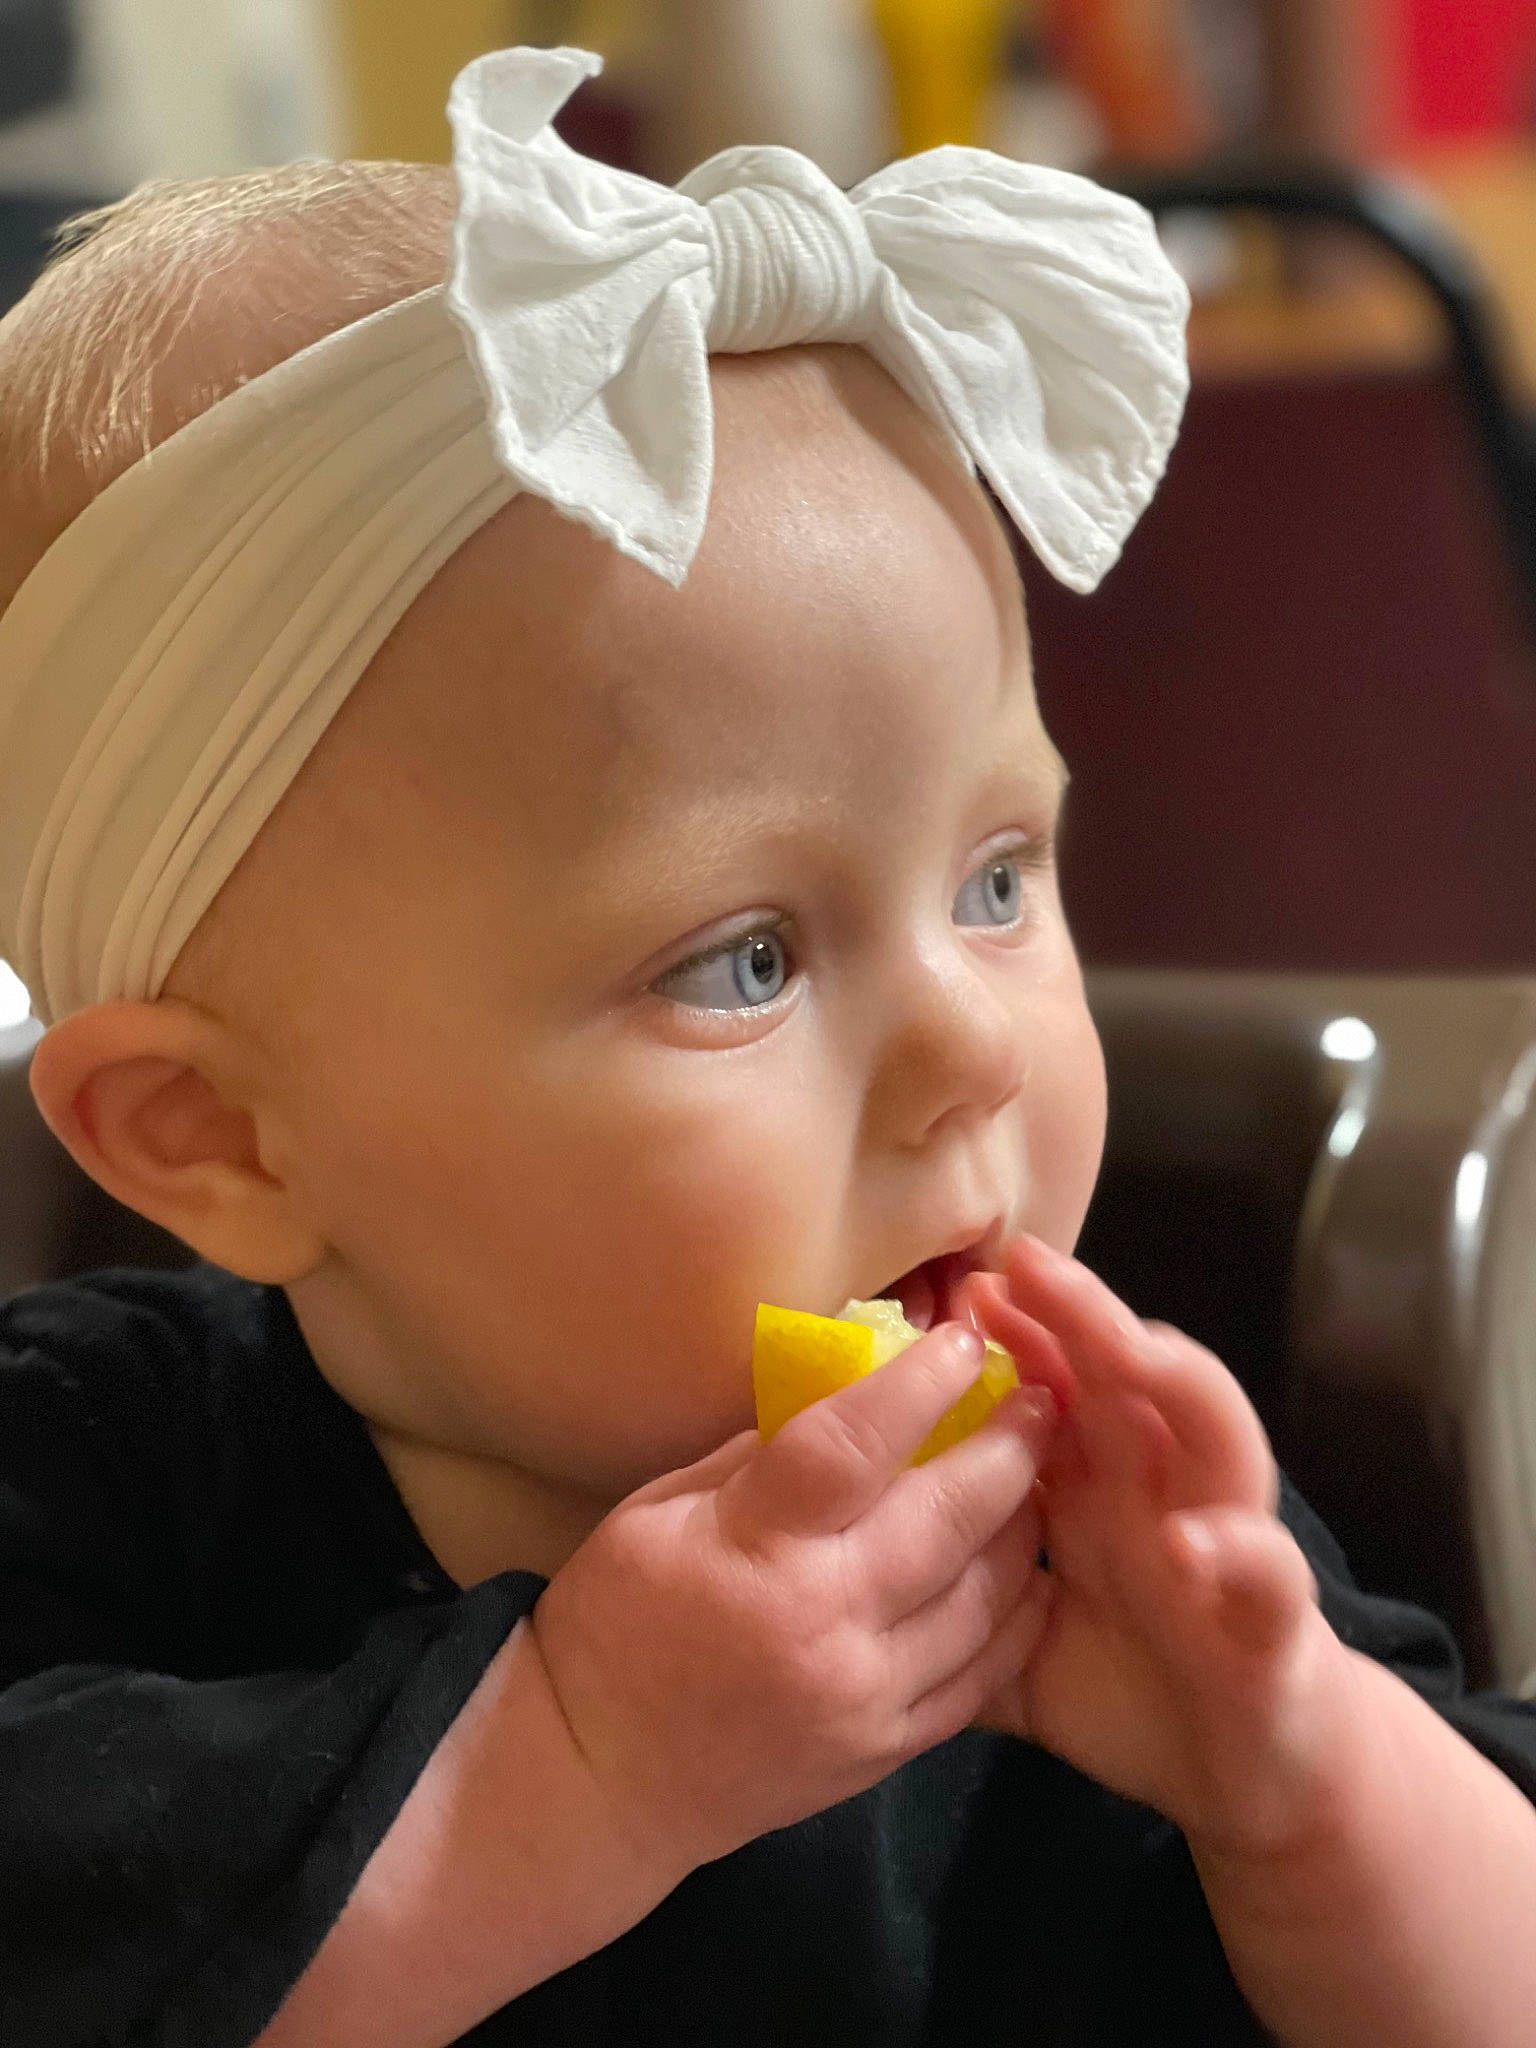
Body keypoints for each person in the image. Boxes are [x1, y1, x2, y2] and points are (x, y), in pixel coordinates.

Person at [1, 41, 1534, 2048]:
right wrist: (580, 1763)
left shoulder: (1094, 1505)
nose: (972, 1050)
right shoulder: (99, 1486)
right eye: (740, 959)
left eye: (999, 878)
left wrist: (1302, 1770)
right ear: (224, 1137)